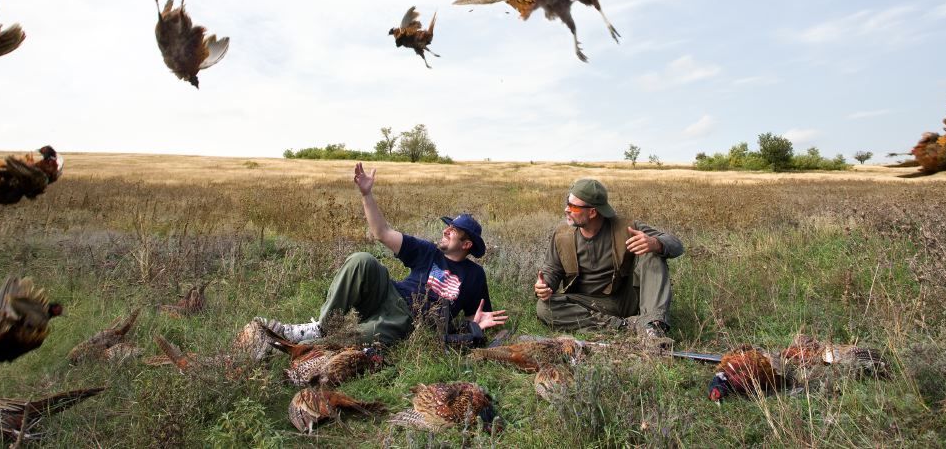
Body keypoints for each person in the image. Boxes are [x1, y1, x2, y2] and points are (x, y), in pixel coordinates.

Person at [272, 162, 507, 347]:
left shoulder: (474, 275)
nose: (445, 230)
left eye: (453, 231)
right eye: (448, 226)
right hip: (388, 294)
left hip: (409, 321)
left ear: (466, 245)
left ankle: (305, 345)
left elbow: (475, 315)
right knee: (362, 260)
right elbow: (382, 232)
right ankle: (322, 327)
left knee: (360, 337)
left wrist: (475, 324)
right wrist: (366, 195)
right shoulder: (427, 251)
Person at [534, 178, 683, 339]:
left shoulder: (627, 227)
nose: (566, 210)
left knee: (652, 252)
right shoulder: (562, 235)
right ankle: (625, 326)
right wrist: (545, 284)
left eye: (573, 206)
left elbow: (676, 244)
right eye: (567, 203)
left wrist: (656, 243)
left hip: (627, 299)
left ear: (592, 212)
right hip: (588, 303)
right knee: (544, 307)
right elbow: (552, 269)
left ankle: (653, 327)